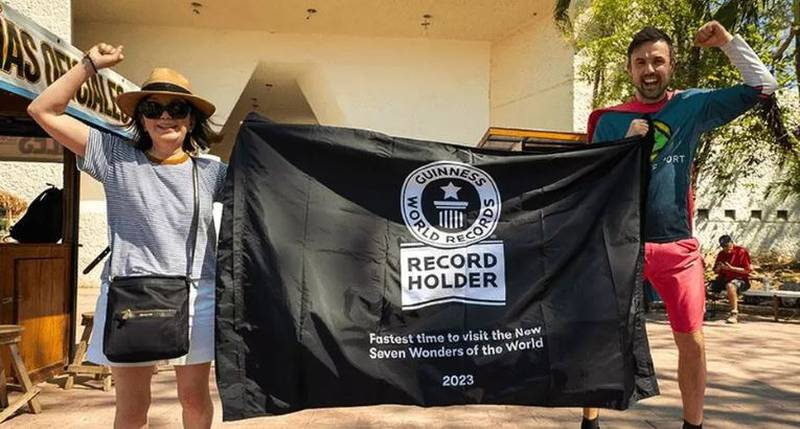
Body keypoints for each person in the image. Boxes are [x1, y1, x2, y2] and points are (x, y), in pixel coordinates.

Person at [580, 22, 778, 429]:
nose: (649, 69)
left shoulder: (690, 106)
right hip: (620, 245)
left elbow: (763, 86)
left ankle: (693, 424)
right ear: (629, 70)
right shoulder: (609, 120)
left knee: (692, 339)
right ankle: (590, 422)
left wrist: (727, 44)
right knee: (599, 334)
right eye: (640, 62)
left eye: (658, 61)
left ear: (671, 66)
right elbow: (593, 182)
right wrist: (624, 146)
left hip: (677, 247)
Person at [27, 43, 227, 429]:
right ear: (141, 118)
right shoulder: (115, 157)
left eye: (177, 109)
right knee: (133, 408)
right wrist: (89, 65)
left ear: (191, 120)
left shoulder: (211, 173)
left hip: (195, 295)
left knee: (193, 398)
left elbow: (268, 192)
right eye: (153, 108)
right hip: (129, 294)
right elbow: (42, 110)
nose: (165, 117)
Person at [711, 234, 752, 324]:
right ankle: (705, 310)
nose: (725, 248)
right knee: (704, 286)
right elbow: (715, 271)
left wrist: (732, 269)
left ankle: (734, 313)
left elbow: (747, 270)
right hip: (724, 279)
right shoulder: (721, 254)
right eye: (723, 247)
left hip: (740, 280)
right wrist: (718, 268)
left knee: (730, 286)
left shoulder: (741, 251)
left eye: (727, 246)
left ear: (731, 242)